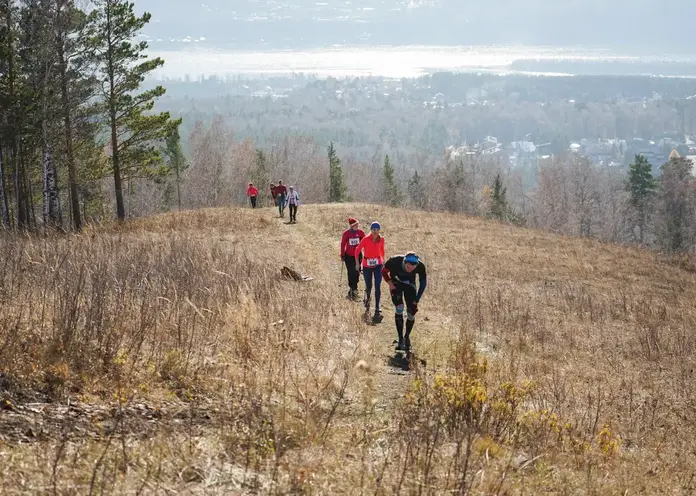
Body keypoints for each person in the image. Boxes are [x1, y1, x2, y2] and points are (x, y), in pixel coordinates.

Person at [382, 252, 427, 352]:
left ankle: (407, 337)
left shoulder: (420, 266)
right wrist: (390, 284)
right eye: (408, 266)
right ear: (404, 262)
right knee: (399, 308)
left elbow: (423, 283)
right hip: (396, 284)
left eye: (413, 267)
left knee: (411, 313)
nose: (410, 268)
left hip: (410, 286)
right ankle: (400, 338)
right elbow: (384, 271)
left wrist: (417, 299)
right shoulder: (394, 261)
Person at [355, 221, 385, 324]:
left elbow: (382, 251)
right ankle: (367, 304)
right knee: (369, 286)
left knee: (378, 285)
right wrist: (357, 263)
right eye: (373, 229)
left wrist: (383, 262)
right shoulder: (365, 239)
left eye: (377, 229)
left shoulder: (381, 239)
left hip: (378, 265)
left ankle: (377, 307)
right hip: (367, 265)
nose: (375, 232)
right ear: (371, 230)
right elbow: (357, 250)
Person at [340, 218, 365, 301]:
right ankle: (352, 289)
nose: (357, 226)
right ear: (351, 226)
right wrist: (342, 254)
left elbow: (365, 242)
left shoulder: (360, 232)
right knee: (351, 272)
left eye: (357, 225)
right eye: (355, 225)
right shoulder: (346, 234)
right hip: (349, 256)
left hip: (358, 256)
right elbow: (343, 244)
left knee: (357, 272)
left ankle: (355, 287)